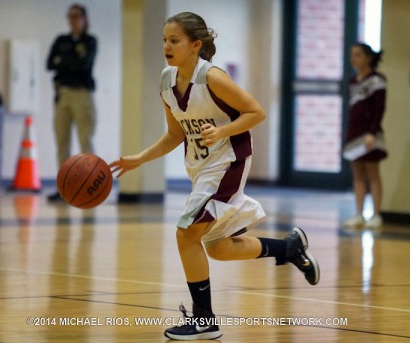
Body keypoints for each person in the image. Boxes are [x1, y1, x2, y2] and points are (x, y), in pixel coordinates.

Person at [109, 12, 320, 341]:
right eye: (164, 40)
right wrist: (140, 159)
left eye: (174, 40)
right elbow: (175, 134)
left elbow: (256, 112)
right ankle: (289, 248)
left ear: (195, 45)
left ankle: (204, 319)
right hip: (201, 168)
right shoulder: (166, 81)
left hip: (228, 163)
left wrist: (222, 130)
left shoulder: (213, 78)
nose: (166, 45)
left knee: (186, 234)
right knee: (219, 248)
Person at [46, 3, 97, 202]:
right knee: (62, 142)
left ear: (84, 19)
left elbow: (83, 66)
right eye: (70, 17)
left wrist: (63, 61)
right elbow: (49, 64)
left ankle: (90, 186)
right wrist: (71, 60)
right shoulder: (61, 40)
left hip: (82, 94)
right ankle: (64, 188)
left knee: (85, 141)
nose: (73, 20)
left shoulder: (90, 41)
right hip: (62, 94)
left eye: (77, 16)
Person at [343, 43, 387, 228]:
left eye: (358, 55)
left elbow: (379, 108)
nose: (354, 59)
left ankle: (376, 215)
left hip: (370, 133)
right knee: (358, 174)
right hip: (354, 132)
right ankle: (359, 214)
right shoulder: (353, 81)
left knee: (372, 174)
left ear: (368, 57)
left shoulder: (377, 80)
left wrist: (372, 131)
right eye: (352, 55)